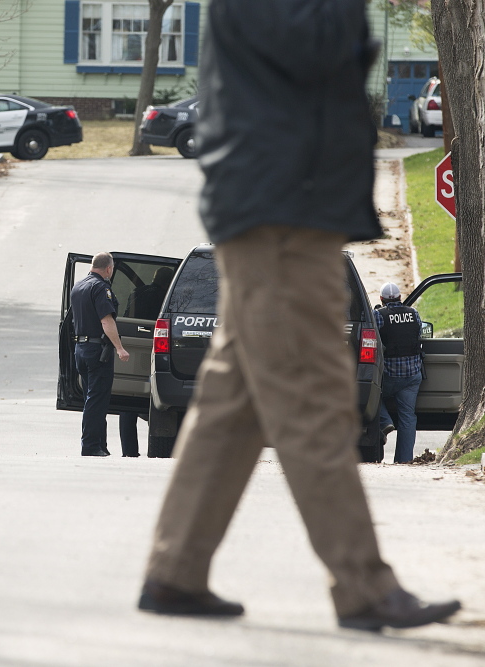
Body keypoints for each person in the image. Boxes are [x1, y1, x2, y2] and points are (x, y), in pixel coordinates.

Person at [136, 0, 460, 631]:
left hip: (281, 204)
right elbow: (318, 49)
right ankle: (364, 584)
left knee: (234, 405)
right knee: (313, 396)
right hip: (282, 212)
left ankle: (176, 570)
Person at [70, 252, 129, 457]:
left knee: (92, 399)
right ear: (109, 269)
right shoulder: (101, 287)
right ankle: (91, 446)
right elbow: (106, 321)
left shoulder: (78, 286)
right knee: (97, 400)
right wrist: (119, 348)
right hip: (97, 351)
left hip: (81, 350)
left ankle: (100, 445)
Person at [120, 266, 175, 456]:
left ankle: (129, 451)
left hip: (132, 348)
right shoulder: (163, 297)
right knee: (156, 399)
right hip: (155, 350)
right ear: (168, 283)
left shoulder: (137, 293)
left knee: (128, 402)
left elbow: (128, 316)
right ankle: (160, 446)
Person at [375, 282, 423, 464]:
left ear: (382, 299)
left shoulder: (379, 315)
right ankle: (403, 461)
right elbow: (418, 332)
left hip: (389, 376)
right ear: (400, 298)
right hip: (412, 376)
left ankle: (385, 420)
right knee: (408, 417)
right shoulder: (413, 313)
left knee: (369, 393)